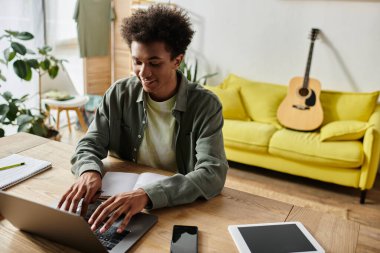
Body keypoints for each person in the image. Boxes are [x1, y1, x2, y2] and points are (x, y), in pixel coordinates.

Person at [58, 4, 228, 234]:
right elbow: (90, 143)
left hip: (175, 206)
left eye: (154, 63)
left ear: (177, 61)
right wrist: (89, 171)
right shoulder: (119, 94)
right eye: (137, 61)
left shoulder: (205, 105)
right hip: (117, 201)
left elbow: (212, 173)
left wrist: (147, 194)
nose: (143, 72)